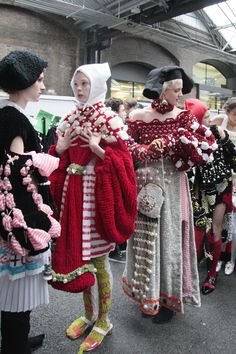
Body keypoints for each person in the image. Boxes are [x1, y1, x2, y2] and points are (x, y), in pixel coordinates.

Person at [48, 62, 137, 353]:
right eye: (76, 84)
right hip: (73, 198)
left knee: (99, 261)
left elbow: (125, 162)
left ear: (97, 85)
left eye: (85, 84)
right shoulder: (70, 117)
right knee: (81, 258)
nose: (79, 89)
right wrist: (59, 149)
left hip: (97, 199)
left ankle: (103, 319)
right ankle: (88, 315)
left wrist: (99, 149)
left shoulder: (110, 118)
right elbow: (56, 158)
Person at [122, 66, 217, 323]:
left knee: (170, 240)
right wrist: (142, 150)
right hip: (146, 182)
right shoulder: (138, 115)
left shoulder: (184, 117)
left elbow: (203, 149)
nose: (180, 95)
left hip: (174, 184)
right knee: (145, 238)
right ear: (161, 91)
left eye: (180, 90)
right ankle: (146, 293)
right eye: (176, 90)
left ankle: (167, 300)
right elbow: (126, 144)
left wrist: (181, 149)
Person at [0, 50, 61, 354]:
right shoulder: (14, 120)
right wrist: (34, 223)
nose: (43, 86)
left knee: (14, 291)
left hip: (17, 214)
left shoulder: (12, 115)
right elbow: (13, 180)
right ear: (24, 82)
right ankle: (14, 346)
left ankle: (17, 341)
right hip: (18, 219)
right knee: (16, 290)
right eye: (39, 80)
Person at [184, 98, 236, 294]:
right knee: (197, 230)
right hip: (198, 190)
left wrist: (223, 140)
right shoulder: (188, 137)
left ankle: (212, 274)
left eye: (209, 115)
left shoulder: (216, 131)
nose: (210, 119)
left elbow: (234, 160)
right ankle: (193, 270)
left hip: (221, 187)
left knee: (215, 229)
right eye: (205, 116)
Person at [211, 97, 236, 276]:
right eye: (235, 114)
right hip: (220, 176)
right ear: (226, 112)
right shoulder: (219, 121)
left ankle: (229, 257)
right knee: (219, 219)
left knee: (232, 221)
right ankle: (217, 256)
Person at [105, 97, 128, 263]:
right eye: (123, 110)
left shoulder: (122, 130)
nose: (125, 113)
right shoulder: (111, 134)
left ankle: (118, 247)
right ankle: (115, 249)